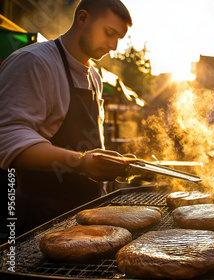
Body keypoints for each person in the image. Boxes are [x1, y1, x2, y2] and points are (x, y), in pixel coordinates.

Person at [0, 0, 133, 233]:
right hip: (41, 219)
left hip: (88, 215)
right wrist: (81, 162)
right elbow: (8, 139)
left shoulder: (95, 77)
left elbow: (90, 141)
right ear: (83, 18)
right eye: (109, 33)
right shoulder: (35, 62)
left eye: (118, 39)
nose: (113, 46)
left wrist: (113, 163)